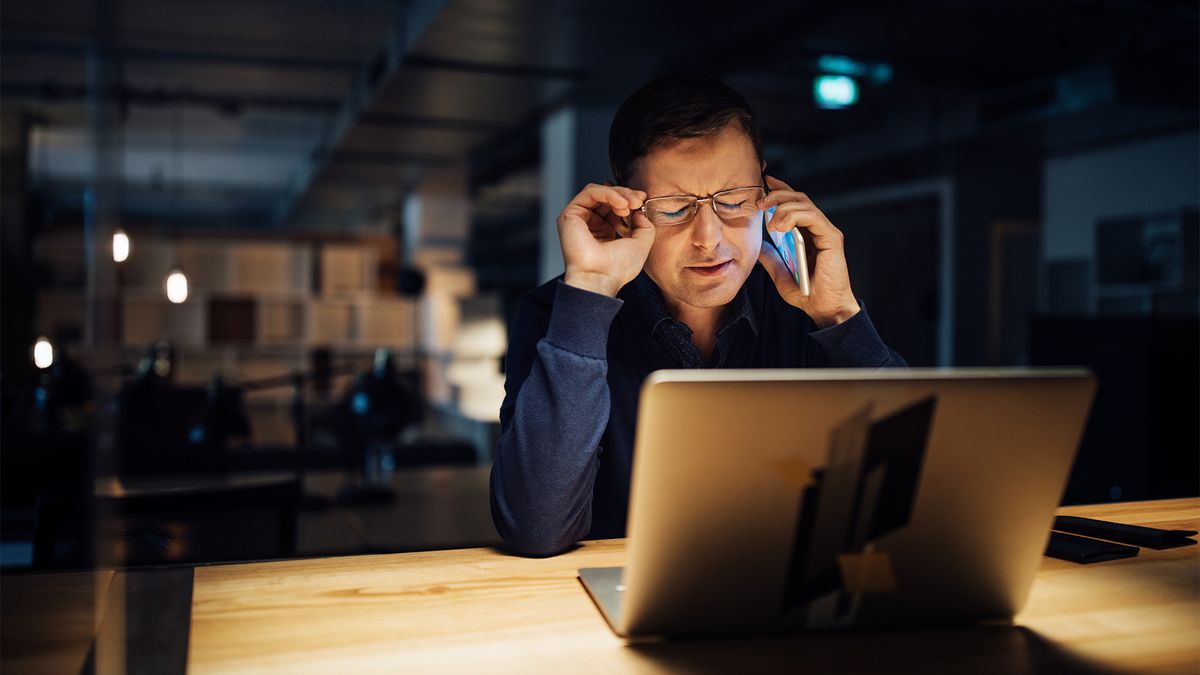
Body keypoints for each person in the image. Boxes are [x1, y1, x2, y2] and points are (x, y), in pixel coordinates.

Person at [491, 74, 907, 557]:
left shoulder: (805, 309)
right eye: (674, 209)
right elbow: (536, 528)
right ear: (624, 205)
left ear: (766, 191)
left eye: (732, 201)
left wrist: (840, 316)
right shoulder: (559, 313)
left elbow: (907, 490)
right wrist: (591, 294)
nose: (709, 238)